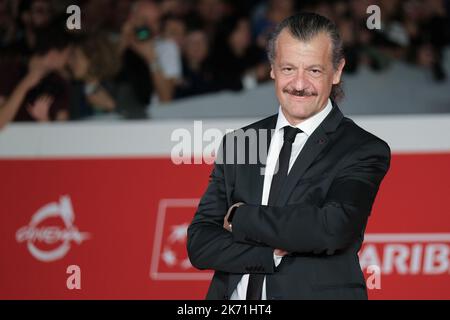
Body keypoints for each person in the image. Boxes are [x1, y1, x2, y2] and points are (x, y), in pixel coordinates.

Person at [187, 12, 391, 300]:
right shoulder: (241, 142)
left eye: (314, 71)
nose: (298, 84)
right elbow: (200, 244)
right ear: (272, 69)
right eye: (288, 69)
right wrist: (269, 254)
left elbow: (329, 229)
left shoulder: (361, 149)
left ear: (337, 71)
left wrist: (240, 217)